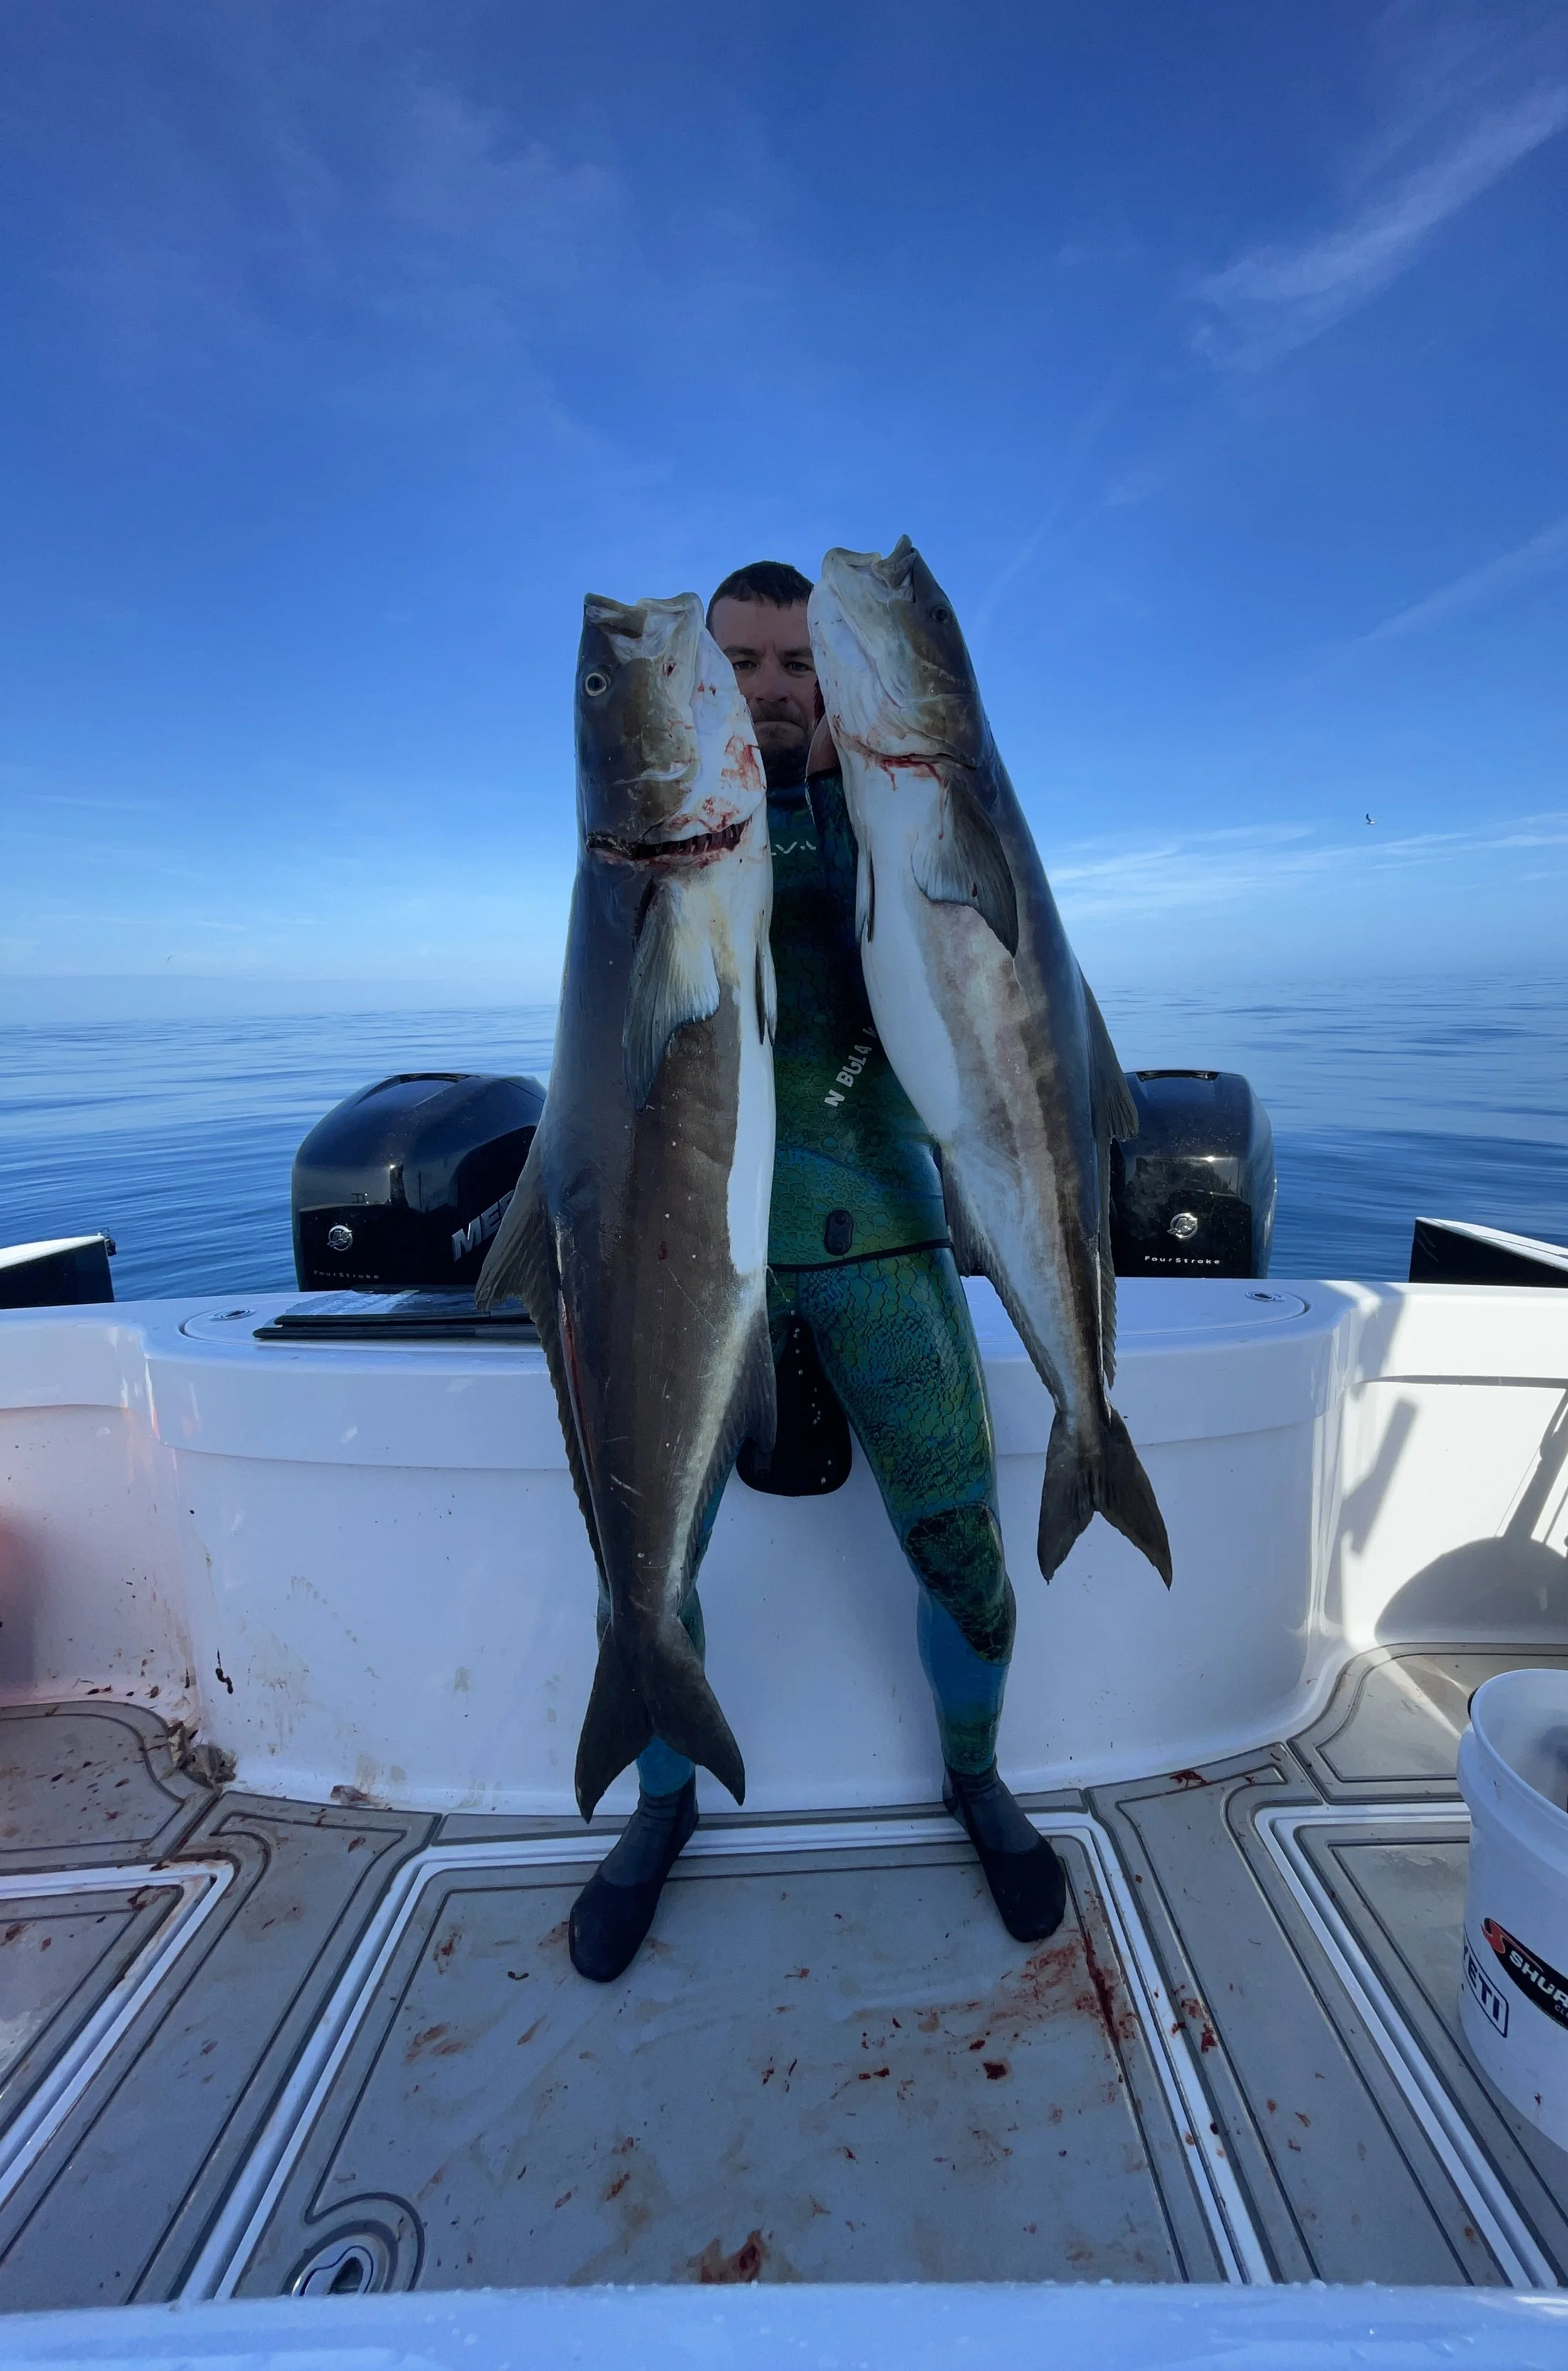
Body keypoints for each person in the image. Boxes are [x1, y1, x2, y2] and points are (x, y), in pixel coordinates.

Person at [569, 559, 1066, 1982]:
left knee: (963, 1544)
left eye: (798, 663)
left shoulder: (892, 809)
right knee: (639, 1571)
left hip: (884, 1229)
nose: (774, 690)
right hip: (685, 1255)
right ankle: (659, 1804)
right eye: (742, 665)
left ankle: (974, 1774)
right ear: (705, 683)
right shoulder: (651, 826)